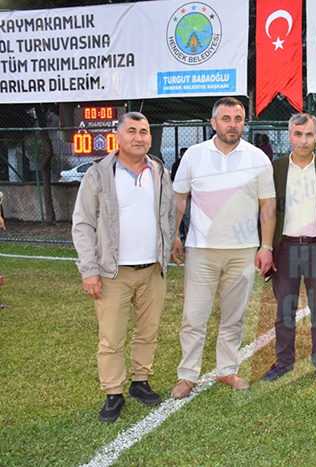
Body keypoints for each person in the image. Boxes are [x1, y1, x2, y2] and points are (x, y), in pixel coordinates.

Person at [72, 112, 177, 424]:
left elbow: (169, 213)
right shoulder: (99, 174)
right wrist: (89, 270)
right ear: (118, 137)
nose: (138, 137)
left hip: (153, 269)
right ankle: (113, 392)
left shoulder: (159, 170)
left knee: (148, 331)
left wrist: (169, 244)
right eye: (131, 131)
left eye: (144, 131)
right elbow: (83, 223)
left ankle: (140, 381)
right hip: (112, 272)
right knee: (111, 337)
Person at [170, 97, 276, 399]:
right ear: (213, 122)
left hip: (243, 250)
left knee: (234, 316)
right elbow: (179, 198)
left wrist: (266, 245)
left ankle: (227, 369)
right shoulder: (194, 155)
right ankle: (187, 375)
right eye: (226, 118)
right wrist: (174, 235)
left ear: (244, 123)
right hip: (201, 250)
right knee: (194, 317)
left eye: (238, 119)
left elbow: (268, 204)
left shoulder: (258, 158)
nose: (232, 124)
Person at [263, 113, 316, 384]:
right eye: (298, 134)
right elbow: (264, 210)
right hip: (285, 250)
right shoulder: (275, 168)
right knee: (284, 312)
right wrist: (265, 247)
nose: (303, 140)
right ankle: (284, 362)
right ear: (289, 136)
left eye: (309, 134)